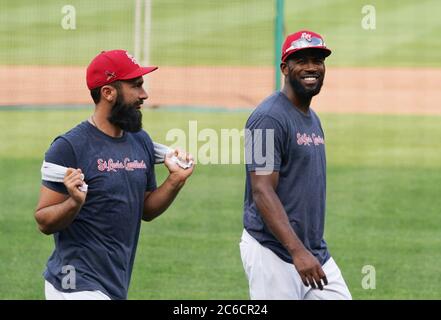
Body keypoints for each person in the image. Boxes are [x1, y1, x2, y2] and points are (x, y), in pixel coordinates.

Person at [34, 50, 194, 300]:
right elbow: (43, 220)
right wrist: (74, 203)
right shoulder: (69, 147)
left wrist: (174, 181)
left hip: (113, 284)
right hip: (75, 283)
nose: (145, 95)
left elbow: (145, 210)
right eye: (136, 86)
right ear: (108, 92)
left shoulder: (140, 141)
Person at [240, 30, 351, 300]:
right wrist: (297, 251)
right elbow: (262, 190)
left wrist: (306, 251)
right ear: (285, 68)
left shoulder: (312, 118)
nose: (312, 67)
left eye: (317, 60)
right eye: (301, 60)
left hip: (314, 253)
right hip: (274, 253)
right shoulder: (266, 119)